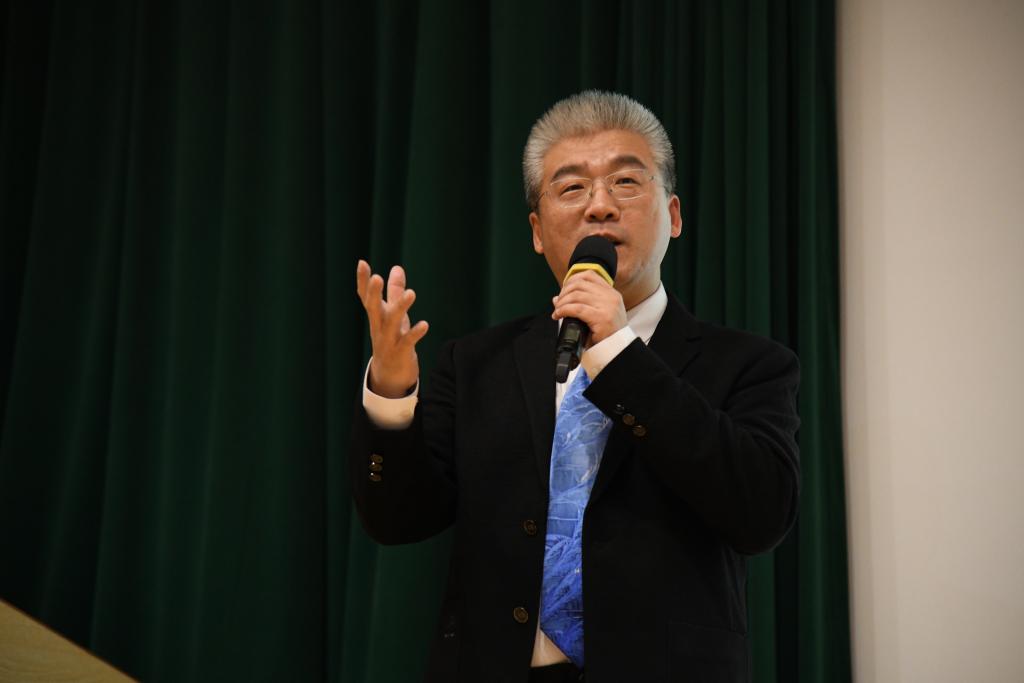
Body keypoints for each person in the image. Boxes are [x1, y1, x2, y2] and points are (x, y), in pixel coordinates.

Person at [352, 91, 800, 683]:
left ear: (673, 216)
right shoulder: (477, 363)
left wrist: (618, 353)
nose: (600, 207)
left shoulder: (749, 363)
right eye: (571, 188)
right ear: (538, 232)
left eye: (626, 183)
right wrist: (390, 392)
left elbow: (762, 514)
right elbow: (398, 520)